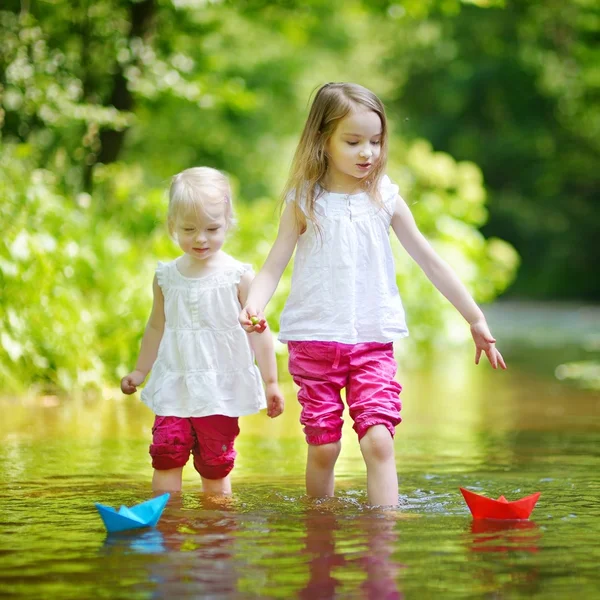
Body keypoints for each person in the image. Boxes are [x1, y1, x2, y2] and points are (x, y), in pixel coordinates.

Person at [239, 82, 506, 507]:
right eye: (353, 141)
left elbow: (430, 260)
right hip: (313, 341)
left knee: (378, 442)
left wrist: (474, 318)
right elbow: (275, 263)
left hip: (372, 343)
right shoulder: (304, 200)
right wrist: (254, 303)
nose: (368, 152)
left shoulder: (386, 198)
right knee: (324, 447)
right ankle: (320, 526)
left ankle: (385, 532)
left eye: (376, 141)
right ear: (322, 141)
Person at [121, 166, 285, 494]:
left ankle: (216, 531)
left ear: (228, 224)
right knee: (166, 454)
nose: (200, 238)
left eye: (212, 228)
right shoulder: (167, 276)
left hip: (218, 389)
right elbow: (156, 325)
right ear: (172, 226)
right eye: (189, 228)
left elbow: (258, 332)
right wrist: (141, 370)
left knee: (215, 462)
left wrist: (270, 382)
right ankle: (167, 524)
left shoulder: (238, 276)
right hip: (174, 384)